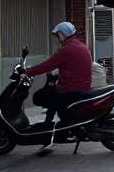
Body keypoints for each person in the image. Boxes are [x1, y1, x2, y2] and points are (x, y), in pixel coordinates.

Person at [25, 22, 94, 151]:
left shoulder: (67, 49)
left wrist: (28, 73)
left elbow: (49, 64)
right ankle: (56, 129)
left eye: (58, 34)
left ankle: (49, 131)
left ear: (64, 33)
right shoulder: (79, 45)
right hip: (79, 87)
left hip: (70, 89)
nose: (57, 37)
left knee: (40, 97)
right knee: (52, 96)